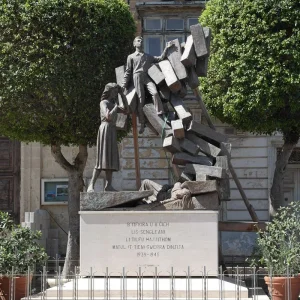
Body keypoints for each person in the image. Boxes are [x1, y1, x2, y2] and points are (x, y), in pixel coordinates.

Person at [122, 36, 174, 134]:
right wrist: (124, 84)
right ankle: (142, 123)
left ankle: (160, 113)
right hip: (136, 77)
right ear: (134, 44)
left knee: (154, 93)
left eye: (141, 40)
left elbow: (159, 58)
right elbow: (128, 71)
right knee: (140, 102)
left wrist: (166, 48)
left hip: (146, 76)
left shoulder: (147, 56)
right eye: (138, 40)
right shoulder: (131, 57)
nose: (140, 42)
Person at [87, 83, 129, 192]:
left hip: (112, 131)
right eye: (114, 91)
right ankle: (91, 185)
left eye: (116, 91)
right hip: (105, 129)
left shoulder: (113, 103)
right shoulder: (104, 102)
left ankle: (108, 185)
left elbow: (126, 110)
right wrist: (116, 106)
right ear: (109, 91)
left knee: (110, 159)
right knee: (102, 159)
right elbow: (108, 116)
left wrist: (122, 95)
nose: (115, 93)